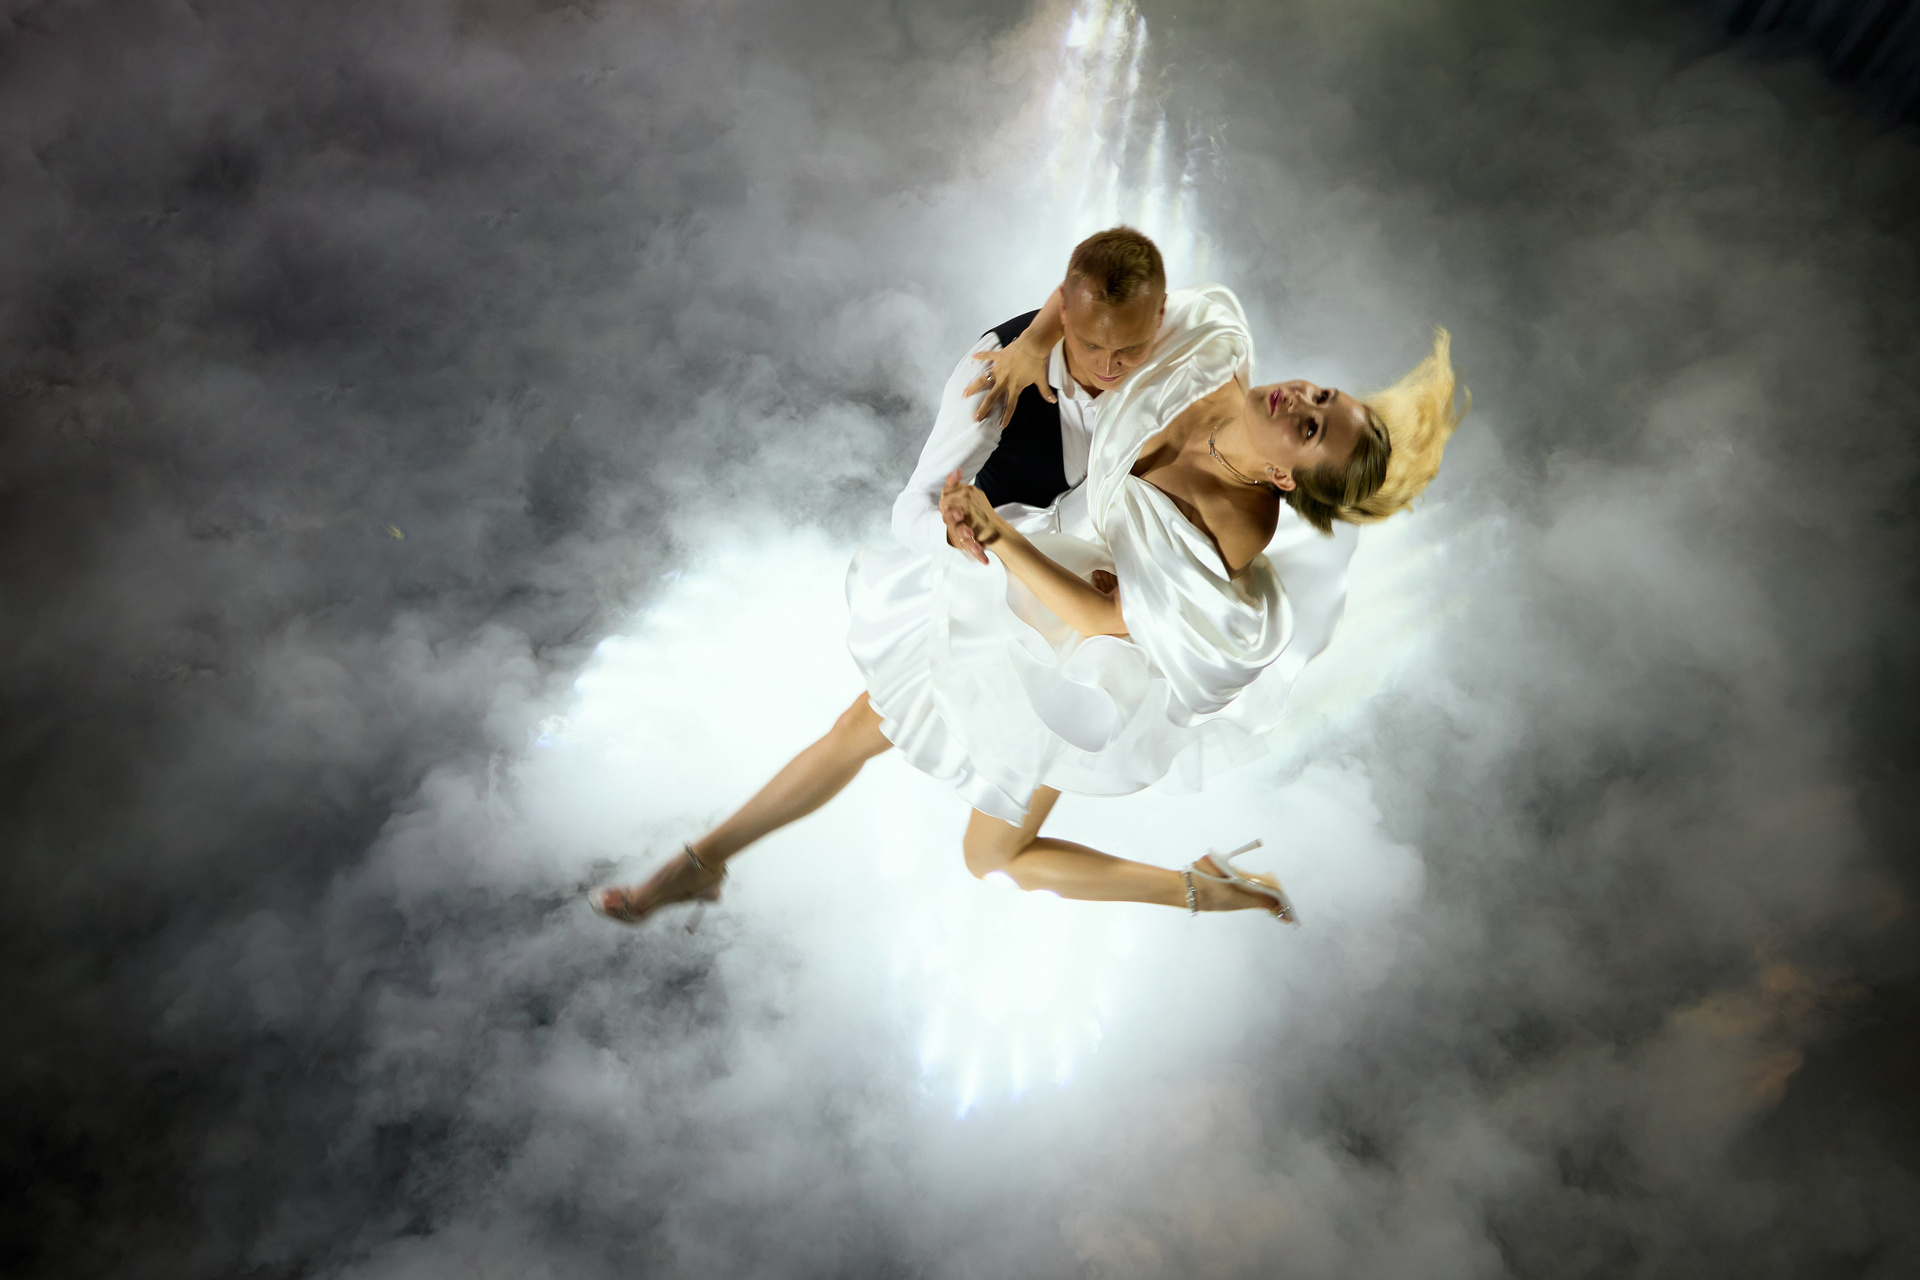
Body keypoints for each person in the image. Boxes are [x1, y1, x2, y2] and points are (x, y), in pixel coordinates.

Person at [590, 235, 1466, 927]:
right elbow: (1106, 288)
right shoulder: (1216, 347)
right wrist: (1037, 342)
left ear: (1283, 478)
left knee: (992, 857)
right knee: (864, 723)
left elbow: (1103, 621)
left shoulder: (1239, 525)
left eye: (1311, 432)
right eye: (1322, 397)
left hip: (1089, 657)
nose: (1300, 402)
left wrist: (998, 535)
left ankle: (1203, 887)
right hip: (1041, 565)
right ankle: (700, 864)